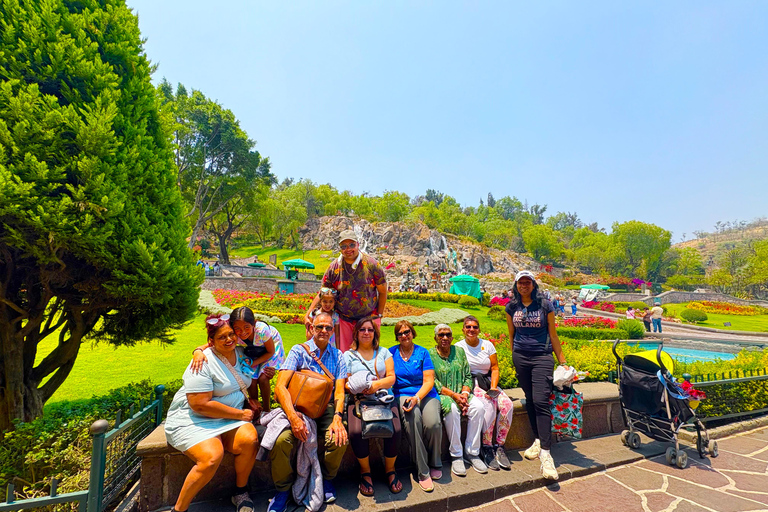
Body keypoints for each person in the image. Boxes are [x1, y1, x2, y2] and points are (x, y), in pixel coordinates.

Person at [164, 314, 258, 512]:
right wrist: (240, 415)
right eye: (222, 337)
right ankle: (179, 509)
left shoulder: (241, 353)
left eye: (231, 334)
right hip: (195, 420)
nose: (229, 339)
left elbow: (267, 346)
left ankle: (240, 492)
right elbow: (199, 405)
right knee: (211, 457)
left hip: (228, 419)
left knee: (249, 440)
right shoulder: (203, 361)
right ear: (211, 341)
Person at [268, 312, 348, 512]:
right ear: (312, 328)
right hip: (298, 408)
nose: (323, 331)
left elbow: (339, 391)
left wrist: (338, 418)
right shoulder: (299, 351)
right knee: (281, 441)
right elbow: (280, 387)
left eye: (328, 328)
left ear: (332, 331)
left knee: (338, 438)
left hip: (326, 408)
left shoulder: (338, 355)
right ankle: (283, 489)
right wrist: (293, 418)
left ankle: (327, 479)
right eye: (319, 326)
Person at [504, 270, 567, 481]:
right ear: (516, 285)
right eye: (520, 282)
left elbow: (553, 334)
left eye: (527, 282)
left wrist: (563, 362)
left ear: (533, 285)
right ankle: (538, 440)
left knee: (541, 401)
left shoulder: (545, 306)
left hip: (542, 356)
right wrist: (514, 355)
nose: (524, 285)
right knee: (530, 399)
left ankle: (546, 455)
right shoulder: (511, 307)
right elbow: (511, 334)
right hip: (521, 357)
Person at [344, 318, 402, 496]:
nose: (366, 333)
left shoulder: (384, 352)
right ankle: (365, 471)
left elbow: (391, 377)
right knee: (355, 432)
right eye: (362, 329)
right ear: (356, 333)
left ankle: (390, 470)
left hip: (383, 398)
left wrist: (375, 385)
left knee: (396, 430)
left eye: (370, 329)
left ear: (375, 333)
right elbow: (345, 382)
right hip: (359, 400)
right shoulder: (348, 355)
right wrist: (358, 386)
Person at [304, 230, 387, 352]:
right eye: (344, 246)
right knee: (345, 354)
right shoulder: (334, 267)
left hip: (368, 319)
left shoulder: (372, 264)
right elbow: (322, 292)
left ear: (358, 244)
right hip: (344, 320)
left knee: (368, 354)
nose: (348, 249)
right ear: (340, 248)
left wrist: (378, 315)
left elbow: (383, 291)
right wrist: (308, 313)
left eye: (351, 245)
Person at [192, 307, 285, 412]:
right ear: (233, 326)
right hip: (254, 350)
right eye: (237, 328)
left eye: (246, 327)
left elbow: (270, 352)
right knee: (252, 379)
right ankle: (255, 408)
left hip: (270, 348)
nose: (243, 332)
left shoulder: (262, 330)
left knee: (263, 378)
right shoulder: (233, 333)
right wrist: (198, 350)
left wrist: (253, 363)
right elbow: (213, 342)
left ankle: (267, 410)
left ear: (254, 324)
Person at [455, 316, 513, 472]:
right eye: (468, 327)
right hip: (471, 383)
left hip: (487, 382)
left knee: (507, 405)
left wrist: (493, 387)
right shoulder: (458, 347)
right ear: (463, 329)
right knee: (488, 405)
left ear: (479, 329)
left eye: (474, 327)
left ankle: (499, 445)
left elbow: (494, 368)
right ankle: (486, 446)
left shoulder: (487, 345)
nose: (471, 330)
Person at [390, 320, 442, 492]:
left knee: (433, 423)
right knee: (413, 419)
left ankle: (435, 461)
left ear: (412, 333)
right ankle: (422, 470)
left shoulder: (422, 352)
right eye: (400, 333)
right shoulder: (391, 353)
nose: (404, 336)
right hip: (402, 393)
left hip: (425, 393)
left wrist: (417, 398)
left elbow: (429, 381)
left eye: (407, 332)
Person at [429, 324, 487, 476]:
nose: (445, 338)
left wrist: (465, 394)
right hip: (443, 395)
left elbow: (467, 376)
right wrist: (454, 396)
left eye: (448, 335)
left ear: (452, 337)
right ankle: (456, 455)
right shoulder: (430, 355)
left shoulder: (459, 352)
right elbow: (433, 382)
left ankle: (472, 452)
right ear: (435, 338)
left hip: (462, 394)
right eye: (441, 335)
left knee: (479, 407)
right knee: (452, 410)